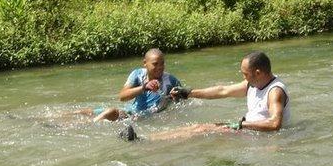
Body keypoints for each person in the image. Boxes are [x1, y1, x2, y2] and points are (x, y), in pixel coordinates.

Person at [122, 51, 290, 140]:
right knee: (198, 129)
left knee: (200, 129)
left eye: (245, 74)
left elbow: (275, 124)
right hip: (247, 129)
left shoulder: (275, 91)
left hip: (258, 135)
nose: (243, 77)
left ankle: (145, 140)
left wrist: (240, 125)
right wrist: (190, 93)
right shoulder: (252, 84)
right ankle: (144, 139)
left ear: (258, 72)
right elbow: (222, 90)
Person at [75, 48, 182, 122]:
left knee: (110, 112)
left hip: (140, 118)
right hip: (130, 112)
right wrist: (144, 87)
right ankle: (65, 119)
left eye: (162, 63)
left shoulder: (170, 80)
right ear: (145, 63)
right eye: (155, 64)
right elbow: (122, 96)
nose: (160, 67)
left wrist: (175, 98)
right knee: (84, 112)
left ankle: (85, 125)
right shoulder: (138, 74)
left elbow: (183, 98)